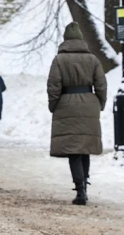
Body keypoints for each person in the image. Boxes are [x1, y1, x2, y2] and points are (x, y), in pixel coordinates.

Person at [47, 22, 106, 206]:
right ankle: (85, 188)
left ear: (65, 39)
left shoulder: (59, 60)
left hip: (66, 103)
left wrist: (53, 105)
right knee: (84, 148)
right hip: (89, 103)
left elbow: (53, 86)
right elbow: (101, 85)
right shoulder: (93, 59)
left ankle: (79, 189)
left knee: (73, 149)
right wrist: (99, 103)